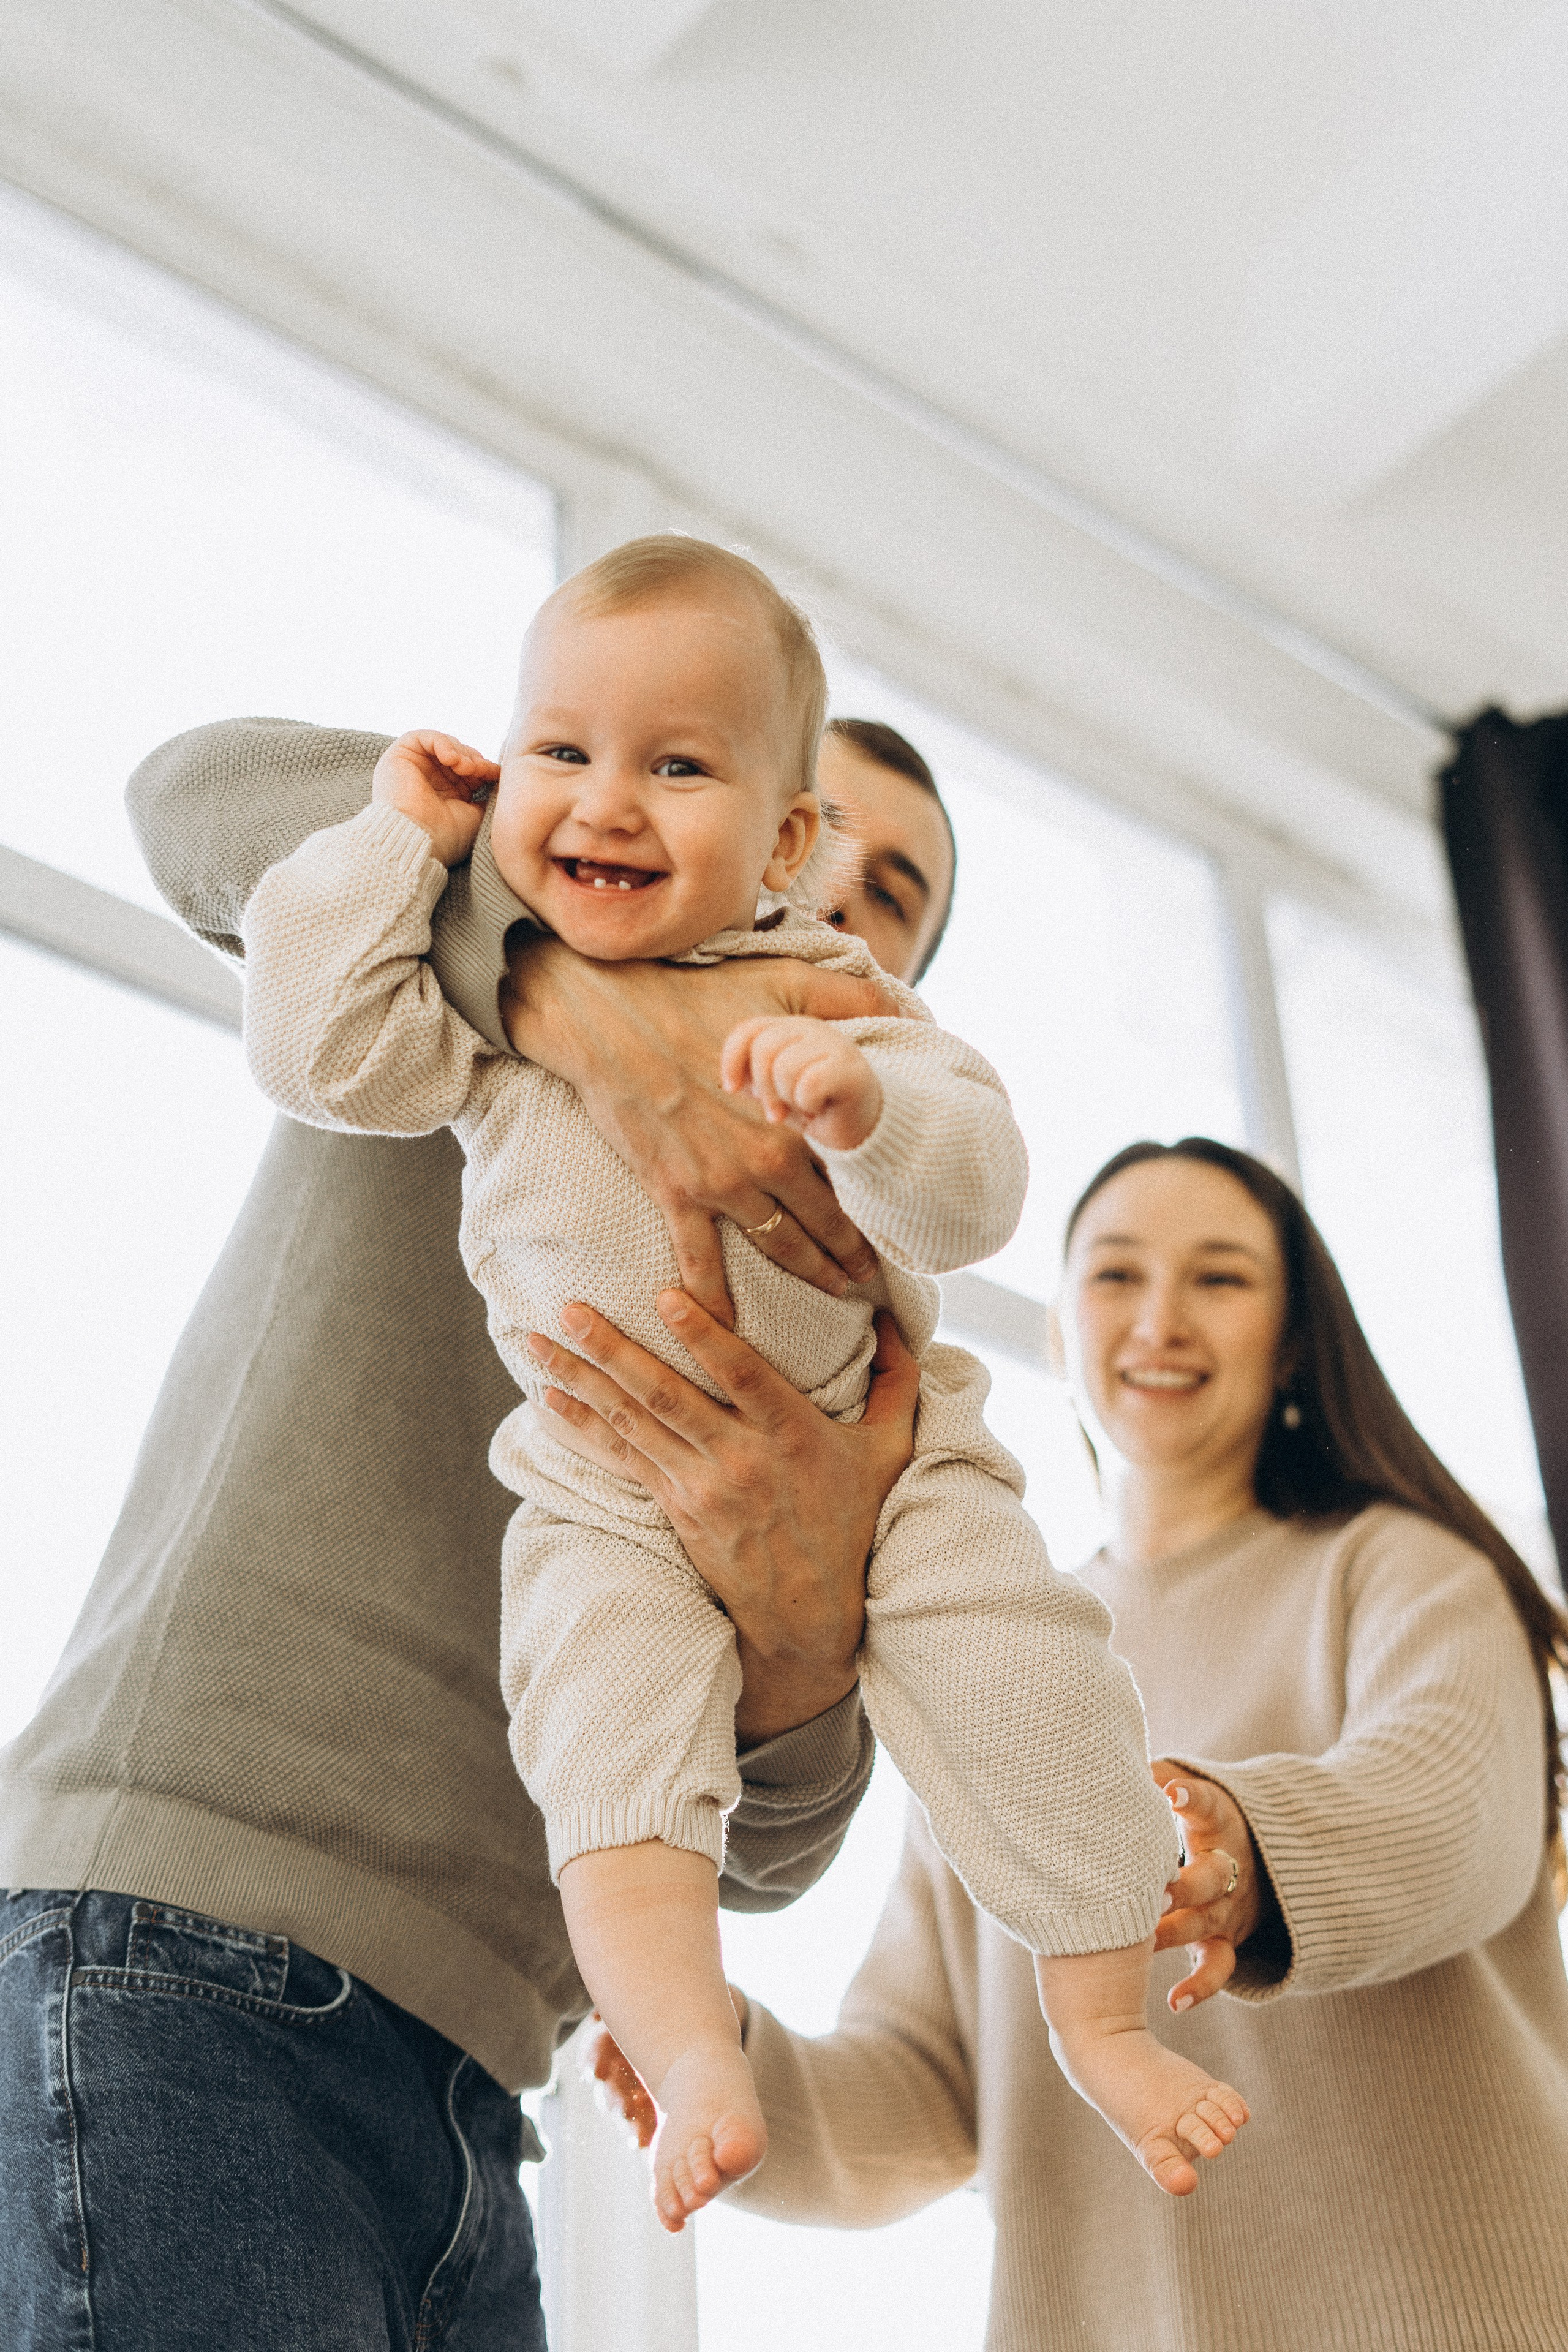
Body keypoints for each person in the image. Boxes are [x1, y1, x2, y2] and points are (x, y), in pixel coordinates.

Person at [239, 532, 1235, 2228]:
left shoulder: (832, 997)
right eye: (561, 754)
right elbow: (312, 1043)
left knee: (1036, 1686)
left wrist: (863, 1105)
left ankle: (1097, 2022)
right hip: (598, 1484)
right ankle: (690, 2044)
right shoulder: (486, 996)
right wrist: (403, 836)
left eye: (676, 768)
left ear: (785, 849)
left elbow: (975, 1182)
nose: (607, 803)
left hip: (885, 1470)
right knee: (608, 1750)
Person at [0, 671, 967, 2343]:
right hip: (191, 1943)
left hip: (476, 2081)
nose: (835, 881)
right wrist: (555, 985)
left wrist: (804, 1613)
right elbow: (194, 797)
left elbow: (777, 1846)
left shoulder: (835, 1279)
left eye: (894, 894)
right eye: (813, 822)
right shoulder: (439, 972)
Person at [584, 1134, 1568, 2350]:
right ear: (1056, 1333)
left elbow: (1454, 1820)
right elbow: (936, 2091)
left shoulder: (1404, 1572)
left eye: (1218, 1279)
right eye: (1111, 1276)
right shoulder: (989, 1652)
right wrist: (723, 2061)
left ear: (1294, 1339)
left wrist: (1246, 1848)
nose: (1159, 1318)